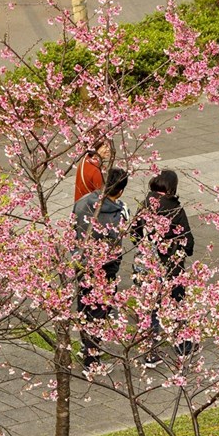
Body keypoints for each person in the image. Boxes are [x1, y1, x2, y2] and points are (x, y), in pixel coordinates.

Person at [132, 170, 195, 367]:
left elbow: (133, 232)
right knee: (177, 302)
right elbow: (188, 241)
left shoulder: (145, 203)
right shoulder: (174, 208)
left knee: (150, 307)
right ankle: (182, 345)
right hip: (170, 264)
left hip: (145, 263)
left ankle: (150, 351)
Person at [73, 167, 130, 378]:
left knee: (84, 307)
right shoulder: (120, 212)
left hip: (81, 263)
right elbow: (116, 247)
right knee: (98, 313)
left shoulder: (82, 203)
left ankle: (86, 347)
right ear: (121, 190)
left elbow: (72, 230)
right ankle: (92, 361)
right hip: (105, 269)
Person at [74, 138, 112, 202]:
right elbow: (101, 196)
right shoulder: (96, 170)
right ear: (95, 148)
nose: (108, 149)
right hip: (91, 207)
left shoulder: (86, 158)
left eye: (108, 145)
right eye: (105, 146)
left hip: (80, 204)